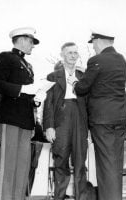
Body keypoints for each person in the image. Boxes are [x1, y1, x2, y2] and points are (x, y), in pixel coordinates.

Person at [68, 29, 126, 200]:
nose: (93, 47)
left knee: (105, 165)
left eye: (93, 43)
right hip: (120, 117)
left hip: (102, 120)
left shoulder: (96, 60)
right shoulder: (121, 59)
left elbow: (82, 88)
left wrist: (74, 82)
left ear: (99, 41)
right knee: (115, 164)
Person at [0, 27, 40, 200]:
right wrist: (21, 89)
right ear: (22, 39)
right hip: (10, 117)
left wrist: (37, 98)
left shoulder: (28, 65)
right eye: (31, 41)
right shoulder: (6, 57)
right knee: (8, 163)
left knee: (22, 165)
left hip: (25, 119)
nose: (33, 46)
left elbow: (28, 94)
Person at [43, 42, 88, 200]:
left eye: (75, 53)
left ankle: (81, 197)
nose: (73, 56)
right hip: (61, 119)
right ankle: (59, 196)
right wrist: (49, 126)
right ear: (62, 55)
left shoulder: (84, 76)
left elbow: (90, 102)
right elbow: (48, 104)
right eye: (69, 53)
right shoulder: (53, 76)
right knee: (60, 159)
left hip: (80, 118)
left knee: (80, 161)